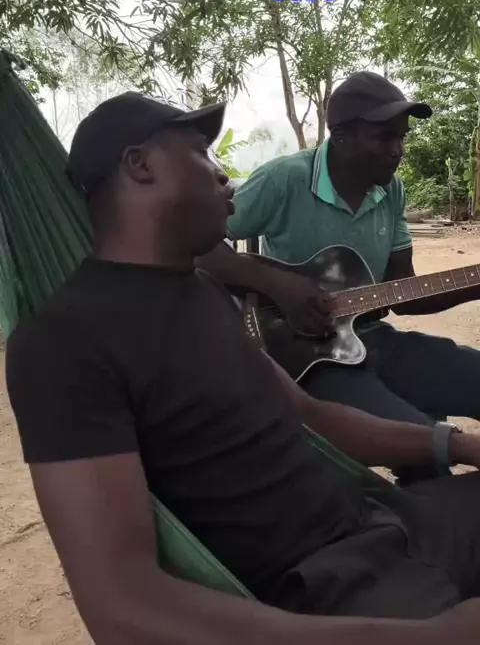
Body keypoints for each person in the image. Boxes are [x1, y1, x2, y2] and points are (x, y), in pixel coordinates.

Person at [6, 91, 480, 645]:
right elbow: (121, 606)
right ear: (140, 164)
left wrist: (462, 445)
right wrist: (438, 635)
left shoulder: (205, 293)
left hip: (386, 521)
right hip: (328, 587)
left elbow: (314, 417)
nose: (224, 174)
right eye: (201, 152)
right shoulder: (63, 345)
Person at [201, 72, 480, 463]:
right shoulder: (285, 179)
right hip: (307, 355)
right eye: (384, 137)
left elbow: (405, 294)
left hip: (371, 337)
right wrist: (279, 285)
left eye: (402, 137)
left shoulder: (391, 189)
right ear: (342, 137)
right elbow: (197, 246)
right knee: (423, 445)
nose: (398, 150)